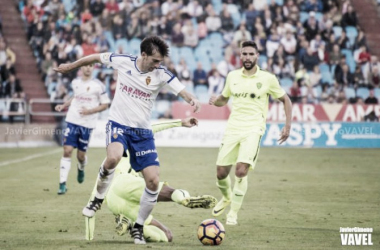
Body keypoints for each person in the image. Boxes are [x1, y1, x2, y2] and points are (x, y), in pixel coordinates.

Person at [54, 36, 200, 244]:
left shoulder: (160, 73)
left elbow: (181, 89)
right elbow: (95, 57)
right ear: (143, 55)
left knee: (153, 181)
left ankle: (139, 226)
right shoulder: (123, 61)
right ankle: (97, 199)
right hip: (118, 124)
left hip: (142, 133)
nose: (158, 65)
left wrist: (192, 99)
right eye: (155, 60)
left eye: (160, 61)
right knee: (113, 158)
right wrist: (71, 66)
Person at [87, 117, 217, 242]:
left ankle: (129, 223)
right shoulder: (129, 143)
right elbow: (154, 127)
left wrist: (89, 237)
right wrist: (180, 123)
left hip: (115, 203)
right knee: (161, 190)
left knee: (167, 236)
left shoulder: (107, 164)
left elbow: (91, 205)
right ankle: (184, 199)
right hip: (124, 183)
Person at [208, 40, 292, 226]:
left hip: (253, 129)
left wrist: (287, 125)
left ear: (257, 56)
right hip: (233, 128)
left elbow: (286, 100)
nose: (247, 57)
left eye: (250, 54)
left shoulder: (268, 79)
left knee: (241, 170)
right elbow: (224, 98)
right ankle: (227, 197)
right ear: (240, 56)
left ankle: (233, 214)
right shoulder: (232, 76)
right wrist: (217, 101)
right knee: (221, 173)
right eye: (244, 54)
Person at [54, 64, 110, 194]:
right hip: (73, 120)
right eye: (85, 66)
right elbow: (75, 97)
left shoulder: (98, 86)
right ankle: (62, 184)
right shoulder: (75, 82)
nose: (88, 68)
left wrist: (89, 111)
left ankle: (81, 167)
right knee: (67, 151)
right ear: (81, 68)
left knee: (80, 156)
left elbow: (105, 105)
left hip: (87, 124)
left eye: (90, 66)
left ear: (93, 68)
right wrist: (63, 106)